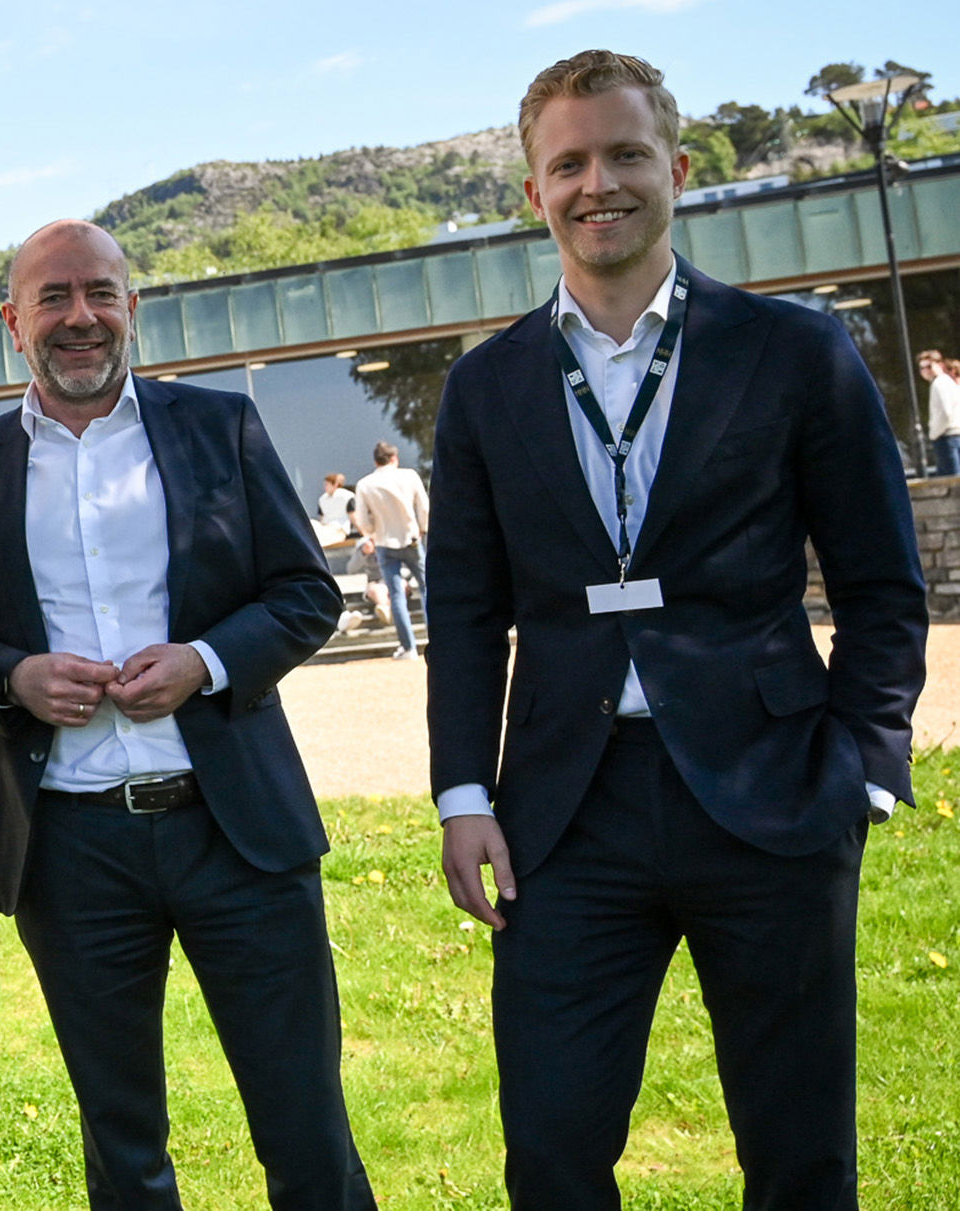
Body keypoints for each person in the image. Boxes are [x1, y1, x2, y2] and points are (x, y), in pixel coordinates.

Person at [427, 51, 926, 1210]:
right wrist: (463, 795)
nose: (597, 182)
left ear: (678, 169)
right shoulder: (487, 385)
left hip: (771, 791)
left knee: (799, 1152)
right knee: (550, 1149)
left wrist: (862, 765)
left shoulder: (793, 349)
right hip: (564, 813)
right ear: (531, 192)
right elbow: (461, 609)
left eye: (624, 154)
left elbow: (880, 581)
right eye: (568, 163)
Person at [0, 220, 369, 1209]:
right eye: (53, 298)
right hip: (72, 846)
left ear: (132, 306)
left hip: (239, 832)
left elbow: (305, 593)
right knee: (120, 1135)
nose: (79, 316)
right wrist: (13, 676)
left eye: (100, 292)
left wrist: (206, 660)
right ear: (14, 322)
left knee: (304, 1116)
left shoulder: (217, 426)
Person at [351, 442, 429, 659]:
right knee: (427, 588)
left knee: (396, 596)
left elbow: (363, 521)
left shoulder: (365, 484)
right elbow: (424, 507)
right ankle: (438, 641)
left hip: (384, 542)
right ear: (394, 458)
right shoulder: (410, 476)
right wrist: (422, 529)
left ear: (375, 461)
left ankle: (408, 647)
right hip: (411, 538)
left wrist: (373, 532)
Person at [923, 349, 960, 476]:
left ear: (940, 364)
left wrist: (933, 434)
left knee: (952, 484)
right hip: (953, 436)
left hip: (947, 438)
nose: (925, 371)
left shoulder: (939, 383)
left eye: (928, 366)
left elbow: (946, 413)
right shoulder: (948, 382)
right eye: (921, 368)